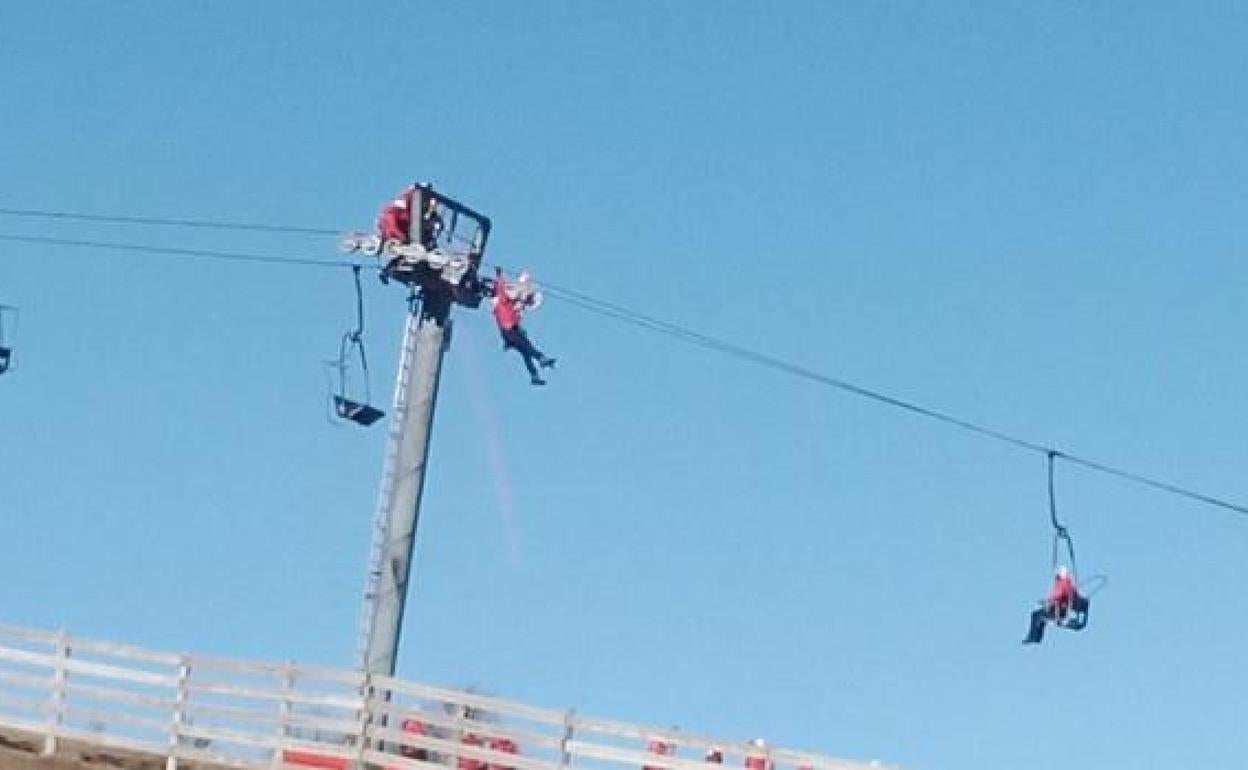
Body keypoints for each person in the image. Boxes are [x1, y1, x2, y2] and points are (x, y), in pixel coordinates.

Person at [492, 267, 555, 386]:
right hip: (509, 331)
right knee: (526, 347)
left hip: (510, 332)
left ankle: (535, 374)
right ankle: (541, 360)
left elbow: (504, 294)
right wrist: (499, 276)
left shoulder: (507, 306)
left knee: (526, 351)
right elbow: (501, 289)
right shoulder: (503, 303)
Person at [1022, 565, 1077, 645]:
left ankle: (1033, 636)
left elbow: (1059, 596)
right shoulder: (1067, 585)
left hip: (1057, 611)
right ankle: (1036, 637)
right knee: (1040, 617)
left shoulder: (1063, 584)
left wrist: (1047, 601)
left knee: (1036, 615)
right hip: (1057, 609)